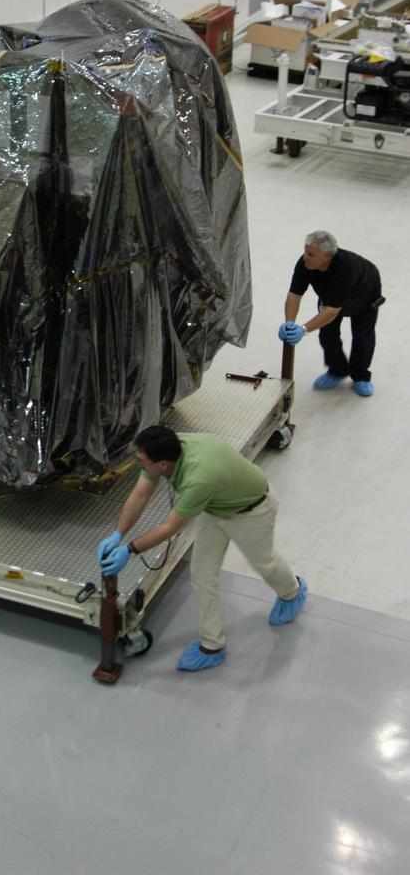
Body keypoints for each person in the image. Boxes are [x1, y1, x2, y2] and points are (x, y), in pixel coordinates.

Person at [96, 425, 306, 672]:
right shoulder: (165, 449)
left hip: (252, 510)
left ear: (163, 465)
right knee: (202, 575)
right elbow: (140, 494)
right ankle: (212, 646)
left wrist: (129, 550)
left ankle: (293, 591)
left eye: (141, 460)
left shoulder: (199, 478)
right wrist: (118, 533)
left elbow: (170, 527)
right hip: (215, 506)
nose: (137, 462)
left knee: (264, 562)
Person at [278, 230, 382, 397]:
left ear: (327, 256)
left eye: (311, 254)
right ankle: (337, 369)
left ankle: (361, 376)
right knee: (327, 334)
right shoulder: (305, 264)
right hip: (330, 296)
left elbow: (332, 311)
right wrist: (289, 322)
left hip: (364, 295)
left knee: (363, 337)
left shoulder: (346, 269)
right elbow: (294, 294)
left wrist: (303, 330)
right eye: (305, 251)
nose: (305, 256)